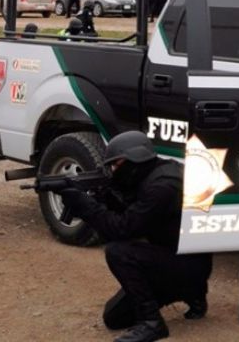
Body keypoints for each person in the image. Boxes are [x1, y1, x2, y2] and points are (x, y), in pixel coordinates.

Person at [57, 131, 213, 342]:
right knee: (115, 317)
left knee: (119, 253)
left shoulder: (161, 187)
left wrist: (87, 207)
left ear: (135, 159)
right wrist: (106, 198)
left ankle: (152, 323)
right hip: (186, 260)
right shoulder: (161, 171)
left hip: (188, 266)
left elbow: (122, 229)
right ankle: (194, 295)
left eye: (117, 164)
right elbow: (137, 214)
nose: (114, 171)